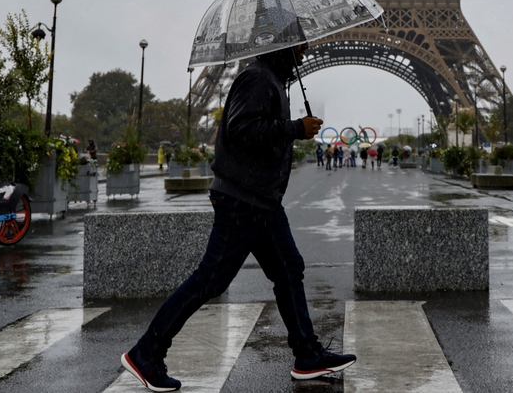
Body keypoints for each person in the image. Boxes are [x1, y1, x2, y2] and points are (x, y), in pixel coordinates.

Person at [121, 44, 356, 391]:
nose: (305, 55)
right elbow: (241, 129)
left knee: (289, 269)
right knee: (210, 280)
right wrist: (294, 128)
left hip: (261, 200)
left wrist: (293, 129)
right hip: (243, 199)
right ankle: (146, 352)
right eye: (302, 49)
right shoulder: (257, 77)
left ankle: (307, 355)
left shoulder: (271, 79)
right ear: (287, 48)